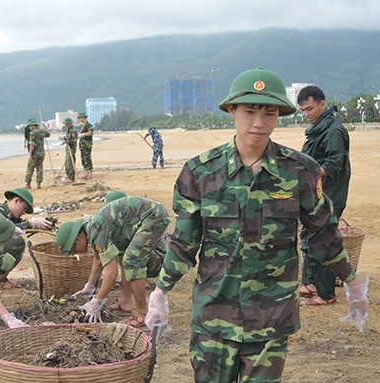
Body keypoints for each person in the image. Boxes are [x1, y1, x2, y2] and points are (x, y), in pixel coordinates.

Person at [144, 67, 369, 383]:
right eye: (249, 111)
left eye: (270, 112)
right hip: (214, 318)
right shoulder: (200, 172)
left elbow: (322, 232)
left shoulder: (300, 171)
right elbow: (184, 241)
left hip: (271, 319)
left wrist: (351, 282)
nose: (259, 122)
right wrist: (160, 292)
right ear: (232, 111)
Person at [56, 196, 169, 328]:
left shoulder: (95, 231)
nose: (76, 253)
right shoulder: (91, 228)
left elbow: (111, 273)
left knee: (132, 260)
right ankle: (125, 302)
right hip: (148, 217)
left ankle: (142, 314)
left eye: (73, 249)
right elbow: (99, 260)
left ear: (78, 239)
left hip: (154, 216)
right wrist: (90, 286)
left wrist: (97, 301)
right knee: (122, 252)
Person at [297, 85, 352, 306]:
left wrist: (303, 170)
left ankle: (326, 294)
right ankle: (310, 283)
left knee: (324, 242)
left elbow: (333, 165)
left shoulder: (333, 131)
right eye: (302, 110)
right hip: (316, 195)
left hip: (330, 196)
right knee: (309, 237)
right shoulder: (318, 129)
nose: (306, 114)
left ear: (323, 103)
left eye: (310, 108)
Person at [0, 187, 53, 288]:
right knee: (16, 243)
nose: (24, 212)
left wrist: (40, 225)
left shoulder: (11, 217)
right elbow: (4, 228)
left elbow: (17, 226)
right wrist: (30, 223)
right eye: (24, 208)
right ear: (17, 201)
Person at [24, 117, 50, 189]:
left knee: (30, 168)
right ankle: (38, 184)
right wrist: (45, 127)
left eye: (30, 126)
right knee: (40, 168)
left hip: (35, 153)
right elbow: (48, 134)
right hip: (41, 153)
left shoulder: (32, 133)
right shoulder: (41, 131)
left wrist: (30, 154)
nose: (29, 127)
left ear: (33, 126)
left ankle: (28, 184)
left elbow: (32, 144)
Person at [60, 117, 78, 184]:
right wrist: (64, 139)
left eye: (66, 124)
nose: (65, 125)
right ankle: (69, 177)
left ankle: (71, 178)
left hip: (71, 150)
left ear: (69, 124)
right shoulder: (69, 130)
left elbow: (73, 140)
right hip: (68, 150)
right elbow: (68, 138)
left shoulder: (73, 130)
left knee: (70, 164)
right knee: (67, 164)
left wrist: (66, 141)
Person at [77, 112, 94, 179]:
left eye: (81, 118)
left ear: (84, 117)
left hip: (87, 145)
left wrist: (83, 134)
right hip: (82, 145)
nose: (80, 119)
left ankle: (90, 174)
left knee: (87, 159)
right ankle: (86, 173)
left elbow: (91, 132)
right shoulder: (82, 125)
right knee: (83, 159)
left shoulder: (88, 125)